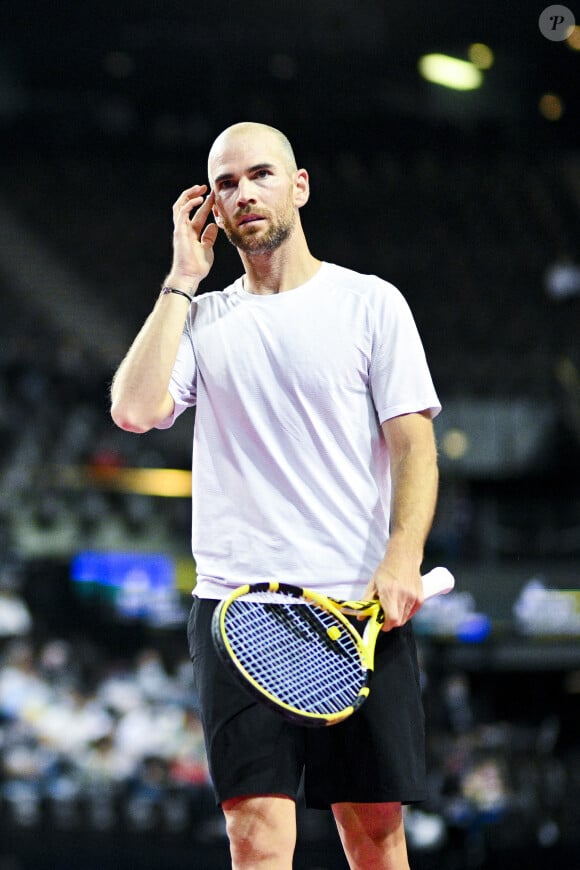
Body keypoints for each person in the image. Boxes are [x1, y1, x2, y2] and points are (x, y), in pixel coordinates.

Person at [111, 121, 440, 870]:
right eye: (225, 183)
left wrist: (402, 556)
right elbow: (132, 410)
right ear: (210, 209)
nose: (243, 192)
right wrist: (180, 279)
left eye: (261, 174)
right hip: (237, 611)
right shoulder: (202, 319)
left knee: (376, 835)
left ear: (300, 186)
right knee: (255, 836)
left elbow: (414, 444)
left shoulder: (371, 303)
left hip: (354, 608)